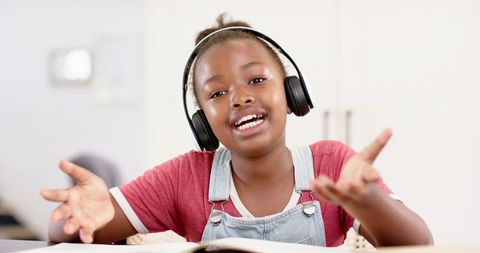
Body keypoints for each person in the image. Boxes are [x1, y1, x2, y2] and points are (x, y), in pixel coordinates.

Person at [40, 14, 433, 247]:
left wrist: (368, 202)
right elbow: (68, 233)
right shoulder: (185, 177)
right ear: (202, 122)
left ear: (292, 92)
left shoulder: (331, 164)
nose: (240, 98)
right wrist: (74, 218)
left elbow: (418, 244)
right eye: (218, 92)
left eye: (257, 80)